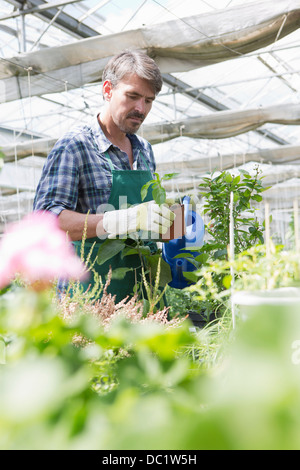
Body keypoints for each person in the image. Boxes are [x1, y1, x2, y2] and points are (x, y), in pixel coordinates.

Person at [33, 49, 175, 302]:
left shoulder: (145, 150)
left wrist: (171, 227)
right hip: (90, 296)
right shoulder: (76, 146)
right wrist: (124, 219)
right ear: (108, 90)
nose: (140, 108)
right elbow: (47, 221)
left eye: (149, 100)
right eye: (132, 96)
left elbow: (144, 224)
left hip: (142, 292)